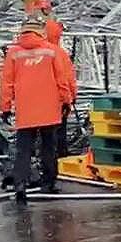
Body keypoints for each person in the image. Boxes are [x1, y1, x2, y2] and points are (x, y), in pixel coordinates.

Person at [0, 13, 71, 202]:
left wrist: (5, 108)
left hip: (25, 111)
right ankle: (49, 183)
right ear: (41, 32)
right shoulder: (52, 51)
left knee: (24, 150)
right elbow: (61, 80)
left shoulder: (14, 53)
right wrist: (66, 101)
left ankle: (20, 186)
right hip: (49, 108)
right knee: (49, 147)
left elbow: (6, 83)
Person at [45, 15, 77, 158]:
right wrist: (71, 97)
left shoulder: (33, 52)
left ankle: (45, 156)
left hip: (40, 101)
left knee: (43, 132)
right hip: (58, 99)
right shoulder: (60, 53)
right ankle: (61, 155)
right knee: (60, 129)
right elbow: (67, 78)